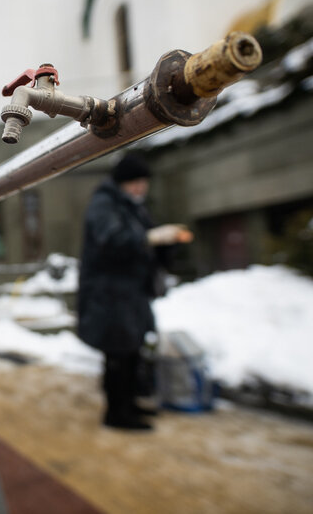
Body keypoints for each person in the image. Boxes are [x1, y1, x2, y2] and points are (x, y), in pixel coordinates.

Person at [77, 152, 192, 431]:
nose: (140, 187)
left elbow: (146, 241)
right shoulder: (104, 204)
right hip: (110, 295)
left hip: (130, 294)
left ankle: (128, 404)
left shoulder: (131, 206)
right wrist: (151, 238)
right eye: (134, 182)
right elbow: (113, 241)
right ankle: (116, 413)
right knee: (118, 353)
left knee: (132, 351)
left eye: (143, 182)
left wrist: (168, 240)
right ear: (121, 183)